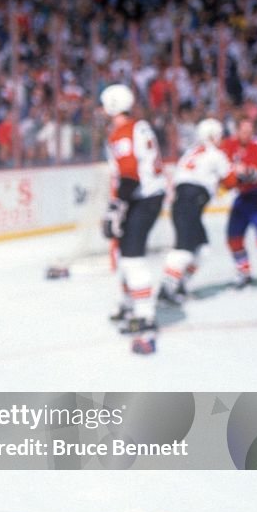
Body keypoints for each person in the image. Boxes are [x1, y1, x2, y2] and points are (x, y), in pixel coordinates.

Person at [99, 83, 167, 355]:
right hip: (148, 194)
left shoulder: (123, 132)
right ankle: (131, 305)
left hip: (142, 196)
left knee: (131, 256)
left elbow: (129, 175)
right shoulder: (138, 126)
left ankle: (145, 315)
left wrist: (117, 208)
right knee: (127, 252)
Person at [158, 118, 236, 305]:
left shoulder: (191, 152)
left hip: (183, 201)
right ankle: (166, 288)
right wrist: (241, 172)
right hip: (191, 202)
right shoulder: (216, 154)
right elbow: (231, 182)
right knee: (184, 250)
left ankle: (179, 284)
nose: (221, 139)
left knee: (203, 250)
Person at [219, 115, 257, 288]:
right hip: (242, 198)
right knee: (233, 237)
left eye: (250, 131)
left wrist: (243, 172)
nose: (247, 134)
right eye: (244, 130)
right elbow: (223, 170)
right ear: (237, 130)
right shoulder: (229, 144)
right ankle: (244, 272)